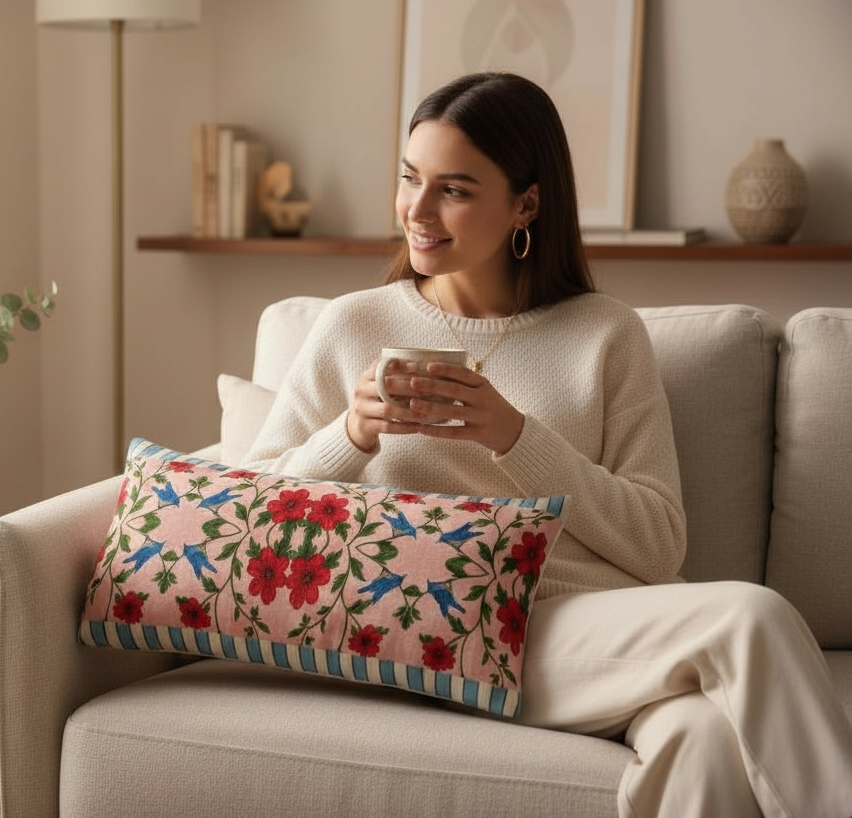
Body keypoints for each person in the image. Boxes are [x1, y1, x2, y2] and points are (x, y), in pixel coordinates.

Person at [242, 71, 852, 818]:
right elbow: (253, 513)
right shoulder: (349, 326)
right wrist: (352, 433)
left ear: (526, 203)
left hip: (591, 631)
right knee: (751, 617)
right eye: (410, 179)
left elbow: (659, 546)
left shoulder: (605, 334)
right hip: (450, 627)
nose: (417, 211)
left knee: (706, 739)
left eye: (454, 190)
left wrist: (518, 438)